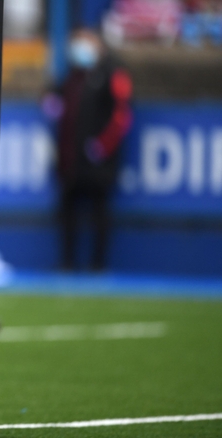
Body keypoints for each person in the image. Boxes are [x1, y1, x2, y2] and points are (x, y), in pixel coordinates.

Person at [46, 27, 132, 272]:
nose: (79, 49)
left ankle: (98, 265)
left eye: (84, 43)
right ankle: (67, 262)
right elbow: (57, 97)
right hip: (71, 161)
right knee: (67, 212)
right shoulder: (75, 74)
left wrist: (102, 146)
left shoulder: (113, 71)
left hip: (98, 162)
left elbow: (121, 115)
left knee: (99, 213)